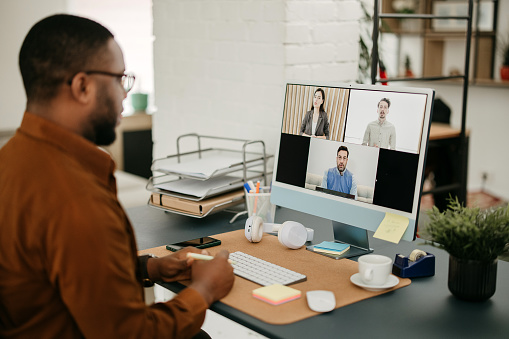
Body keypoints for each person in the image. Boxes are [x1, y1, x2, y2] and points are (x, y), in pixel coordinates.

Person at [0, 14, 234, 339]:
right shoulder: (76, 201)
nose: (125, 94)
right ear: (83, 86)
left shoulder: (11, 159)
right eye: (120, 79)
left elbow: (60, 275)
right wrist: (205, 291)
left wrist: (149, 267)